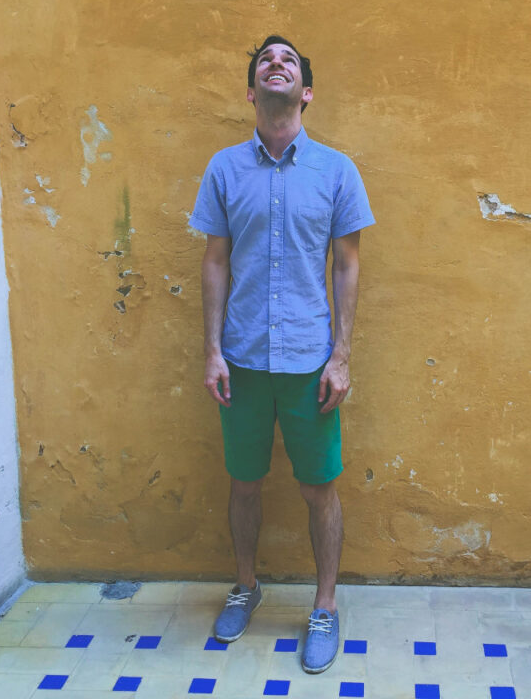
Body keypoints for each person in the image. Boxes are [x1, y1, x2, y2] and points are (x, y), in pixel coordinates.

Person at [189, 35, 375, 674]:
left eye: (289, 60)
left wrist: (341, 356)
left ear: (306, 91)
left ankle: (325, 605)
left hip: (308, 362)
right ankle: (246, 585)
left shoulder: (337, 171)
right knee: (244, 483)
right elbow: (215, 261)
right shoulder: (223, 169)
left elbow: (347, 266)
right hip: (241, 359)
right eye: (266, 60)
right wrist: (212, 351)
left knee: (319, 488)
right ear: (251, 92)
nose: (277, 63)